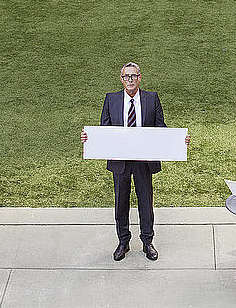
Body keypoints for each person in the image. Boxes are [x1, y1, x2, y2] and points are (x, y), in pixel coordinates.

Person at [81, 62, 190, 261]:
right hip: (120, 160)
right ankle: (123, 242)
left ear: (140, 77)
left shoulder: (152, 98)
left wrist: (178, 141)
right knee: (121, 202)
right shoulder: (111, 99)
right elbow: (104, 129)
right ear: (121, 79)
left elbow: (160, 128)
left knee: (145, 201)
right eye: (126, 77)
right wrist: (89, 139)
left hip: (143, 160)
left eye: (133, 76)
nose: (130, 80)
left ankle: (147, 242)